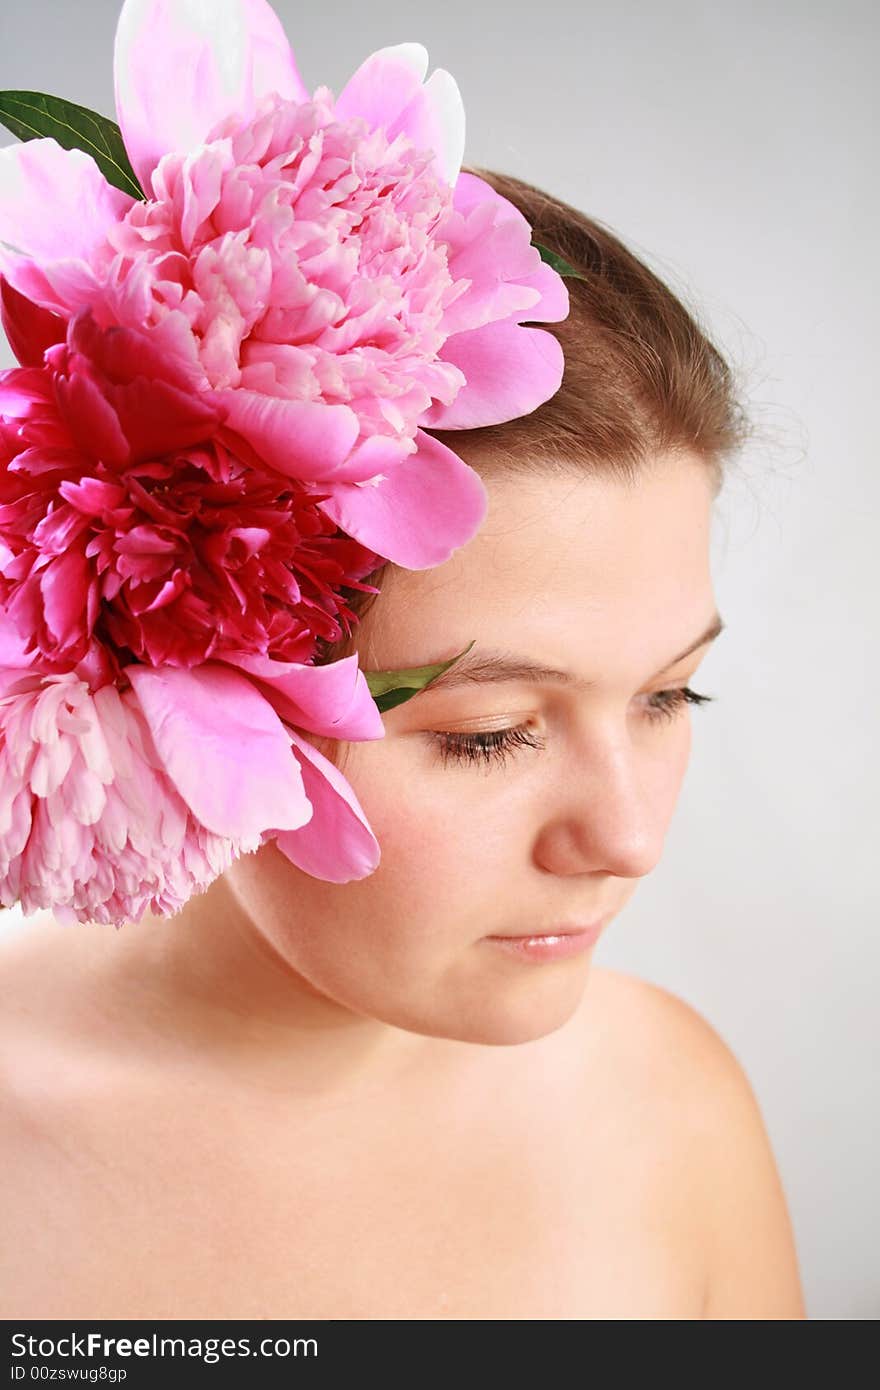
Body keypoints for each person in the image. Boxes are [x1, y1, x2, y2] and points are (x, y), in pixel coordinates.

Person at [0, 161, 806, 1320]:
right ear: (167, 653)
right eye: (490, 735)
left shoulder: (669, 1110)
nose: (627, 839)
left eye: (670, 697)